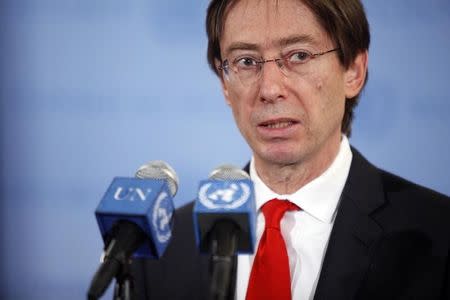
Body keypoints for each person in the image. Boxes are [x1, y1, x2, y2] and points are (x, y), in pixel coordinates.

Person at [130, 0, 450, 299]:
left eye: (299, 56)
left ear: (353, 70)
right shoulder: (166, 246)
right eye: (246, 61)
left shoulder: (438, 232)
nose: (269, 89)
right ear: (225, 85)